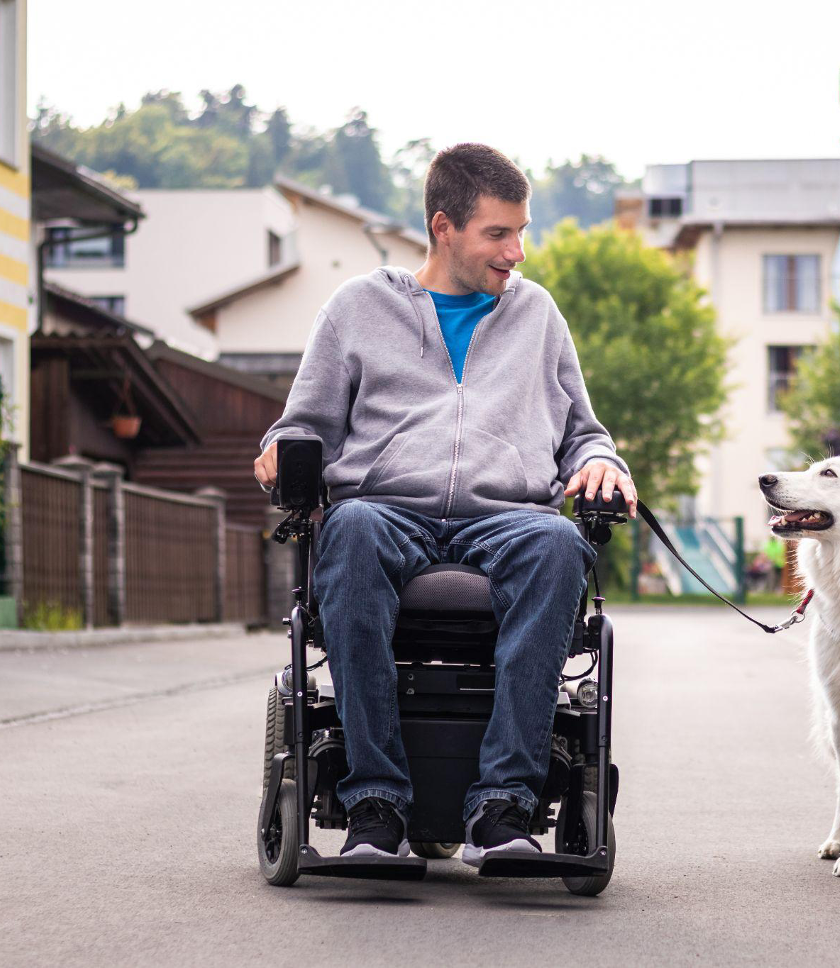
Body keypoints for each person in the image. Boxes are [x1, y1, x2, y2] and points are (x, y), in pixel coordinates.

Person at [252, 143, 637, 866]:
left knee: (559, 544)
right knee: (354, 528)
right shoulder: (358, 309)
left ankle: (503, 809)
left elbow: (585, 434)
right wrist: (284, 448)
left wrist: (601, 465)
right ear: (444, 227)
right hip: (385, 509)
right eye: (498, 233)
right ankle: (376, 806)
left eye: (521, 232)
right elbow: (300, 424)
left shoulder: (538, 316)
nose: (516, 252)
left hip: (509, 517)